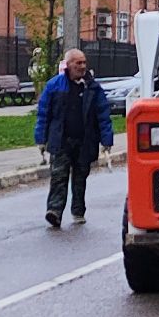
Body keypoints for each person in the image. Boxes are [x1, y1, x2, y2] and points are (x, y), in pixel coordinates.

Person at [34, 49, 113, 229]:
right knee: (58, 176)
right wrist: (41, 138)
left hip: (85, 140)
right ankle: (54, 211)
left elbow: (103, 115)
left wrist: (106, 140)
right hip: (61, 139)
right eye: (78, 63)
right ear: (68, 65)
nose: (82, 66)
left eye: (84, 62)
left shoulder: (93, 88)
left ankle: (78, 211)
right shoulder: (55, 86)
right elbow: (44, 113)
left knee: (80, 177)